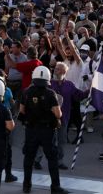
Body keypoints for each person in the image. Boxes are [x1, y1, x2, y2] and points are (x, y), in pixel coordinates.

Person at [19, 66, 68, 194]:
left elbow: (22, 111)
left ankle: (27, 185)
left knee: (29, 158)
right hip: (47, 130)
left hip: (31, 129)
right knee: (52, 158)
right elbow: (58, 114)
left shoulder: (26, 92)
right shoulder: (51, 93)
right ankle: (55, 187)